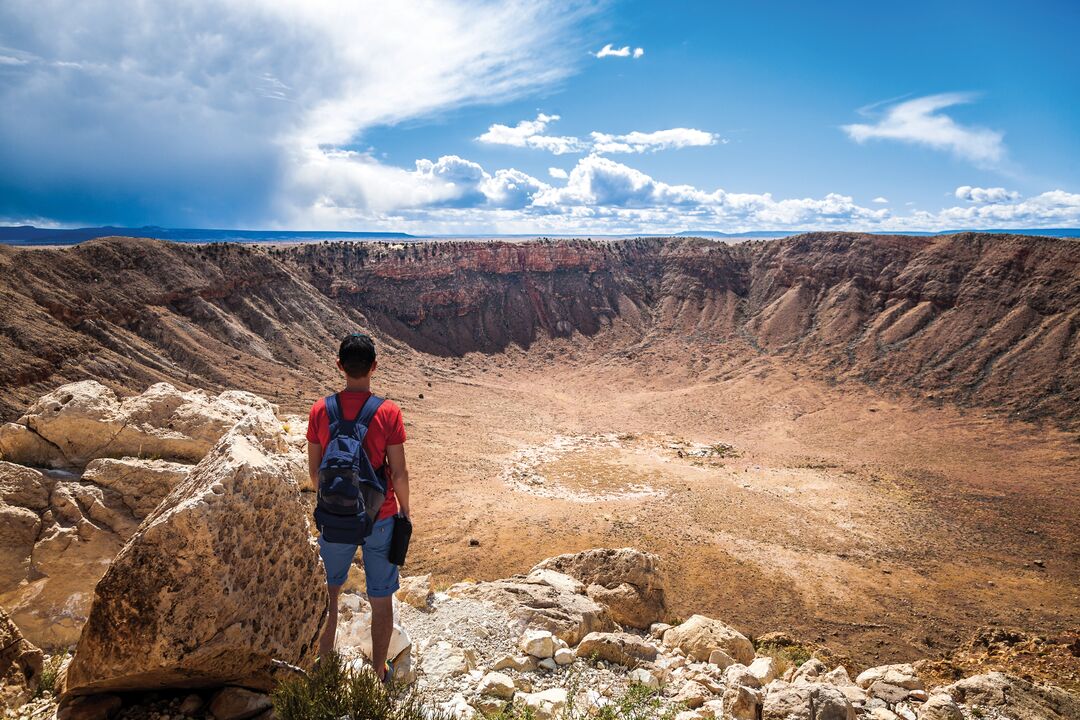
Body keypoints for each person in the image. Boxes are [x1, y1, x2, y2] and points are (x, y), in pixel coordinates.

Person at [306, 332, 409, 681]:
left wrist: (334, 501)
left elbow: (314, 470)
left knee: (330, 593)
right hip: (379, 517)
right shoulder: (388, 412)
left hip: (334, 517)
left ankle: (323, 670)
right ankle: (379, 671)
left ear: (339, 366)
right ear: (374, 367)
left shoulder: (321, 409)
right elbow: (399, 471)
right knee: (381, 599)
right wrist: (403, 512)